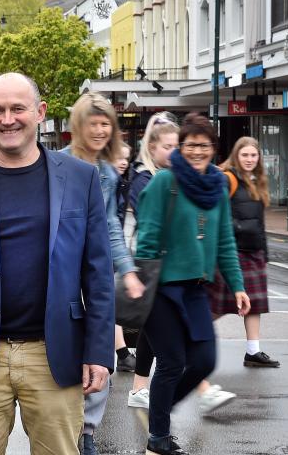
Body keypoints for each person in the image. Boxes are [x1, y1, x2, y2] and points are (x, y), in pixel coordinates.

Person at [0, 73, 114, 455]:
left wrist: (99, 351)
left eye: (18, 108)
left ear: (40, 112)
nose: (8, 119)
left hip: (55, 355)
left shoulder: (82, 179)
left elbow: (98, 273)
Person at [135, 113, 251, 455]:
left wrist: (238, 286)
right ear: (181, 147)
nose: (197, 151)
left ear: (214, 148)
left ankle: (160, 409)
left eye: (204, 145)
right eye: (190, 145)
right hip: (161, 289)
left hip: (196, 288)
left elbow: (226, 242)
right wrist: (142, 282)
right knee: (171, 362)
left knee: (204, 360)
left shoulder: (217, 187)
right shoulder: (165, 182)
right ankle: (158, 436)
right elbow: (147, 238)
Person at [61, 93, 144, 455]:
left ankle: (88, 434)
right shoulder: (57, 164)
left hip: (94, 275)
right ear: (78, 126)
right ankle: (66, 427)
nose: (99, 129)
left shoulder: (108, 173)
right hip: (60, 274)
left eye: (105, 123)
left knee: (100, 356)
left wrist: (126, 269)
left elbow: (111, 224)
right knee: (64, 356)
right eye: (92, 123)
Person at [198, 137, 279, 414]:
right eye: (244, 154)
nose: (249, 159)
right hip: (232, 251)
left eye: (254, 155)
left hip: (253, 251)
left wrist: (264, 252)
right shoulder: (228, 179)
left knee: (254, 303)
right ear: (236, 155)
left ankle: (253, 351)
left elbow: (260, 223)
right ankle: (190, 332)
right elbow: (215, 212)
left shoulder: (258, 182)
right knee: (219, 306)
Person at [123, 112, 181, 409]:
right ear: (153, 145)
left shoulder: (175, 176)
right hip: (153, 264)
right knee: (158, 327)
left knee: (152, 327)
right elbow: (148, 220)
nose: (173, 151)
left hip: (170, 265)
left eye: (176, 145)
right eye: (167, 145)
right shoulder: (144, 176)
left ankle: (139, 389)